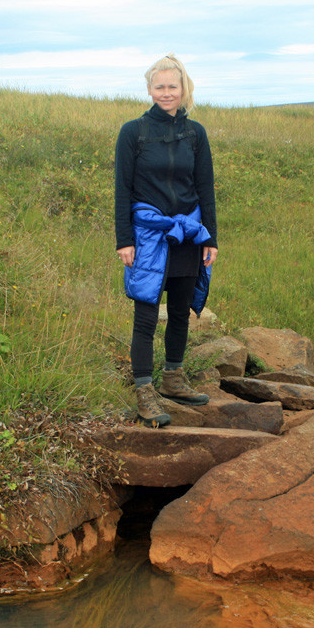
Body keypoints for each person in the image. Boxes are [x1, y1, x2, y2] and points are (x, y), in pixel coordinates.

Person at [114, 53, 218, 427]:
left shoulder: (196, 133)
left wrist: (211, 239)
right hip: (148, 237)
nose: (166, 93)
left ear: (183, 88)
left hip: (189, 233)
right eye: (159, 86)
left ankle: (173, 378)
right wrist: (124, 240)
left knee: (179, 313)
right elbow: (122, 189)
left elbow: (205, 188)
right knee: (145, 317)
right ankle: (144, 391)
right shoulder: (133, 132)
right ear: (149, 89)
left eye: (173, 86)